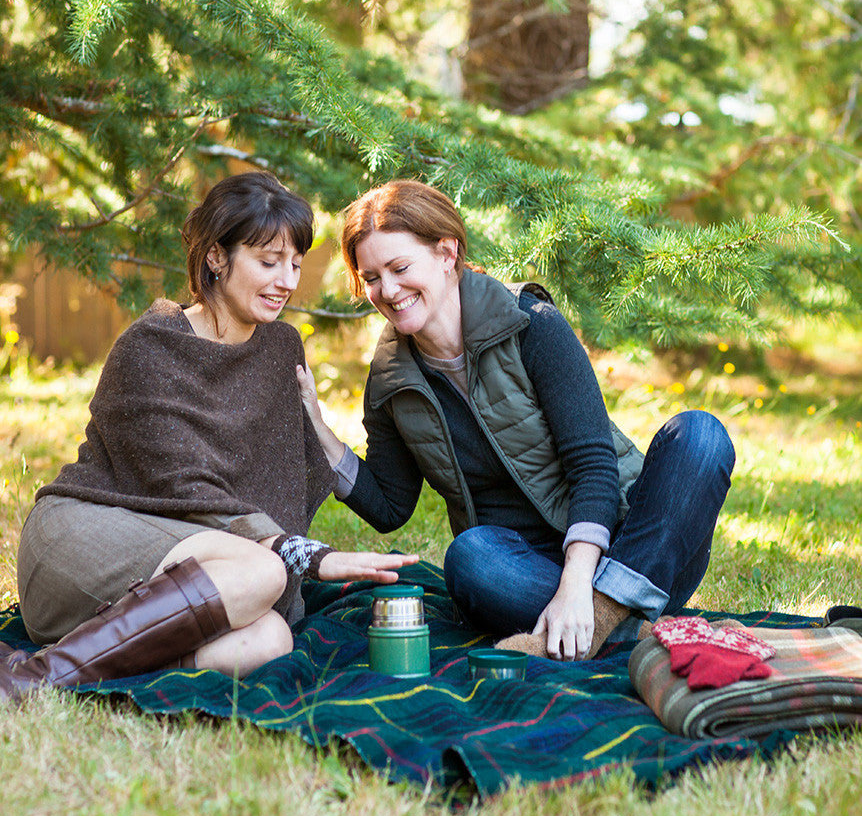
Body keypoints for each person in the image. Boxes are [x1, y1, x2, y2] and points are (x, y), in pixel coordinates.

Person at [1, 171, 416, 702]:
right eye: (268, 262)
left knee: (271, 638)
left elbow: (293, 467)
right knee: (264, 571)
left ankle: (80, 667)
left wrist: (316, 424)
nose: (287, 281)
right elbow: (180, 485)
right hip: (88, 537)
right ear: (217, 257)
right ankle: (30, 681)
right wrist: (304, 555)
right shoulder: (150, 347)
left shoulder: (281, 348)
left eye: (295, 264)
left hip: (201, 561)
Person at [298, 179, 735, 661]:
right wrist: (320, 433)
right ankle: (631, 625)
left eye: (400, 268)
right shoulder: (391, 378)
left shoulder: (529, 322)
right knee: (469, 558)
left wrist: (578, 585)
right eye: (372, 277)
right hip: (522, 573)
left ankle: (599, 619)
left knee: (701, 436)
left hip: (632, 548)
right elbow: (389, 507)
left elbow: (593, 466)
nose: (388, 290)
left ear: (447, 253)